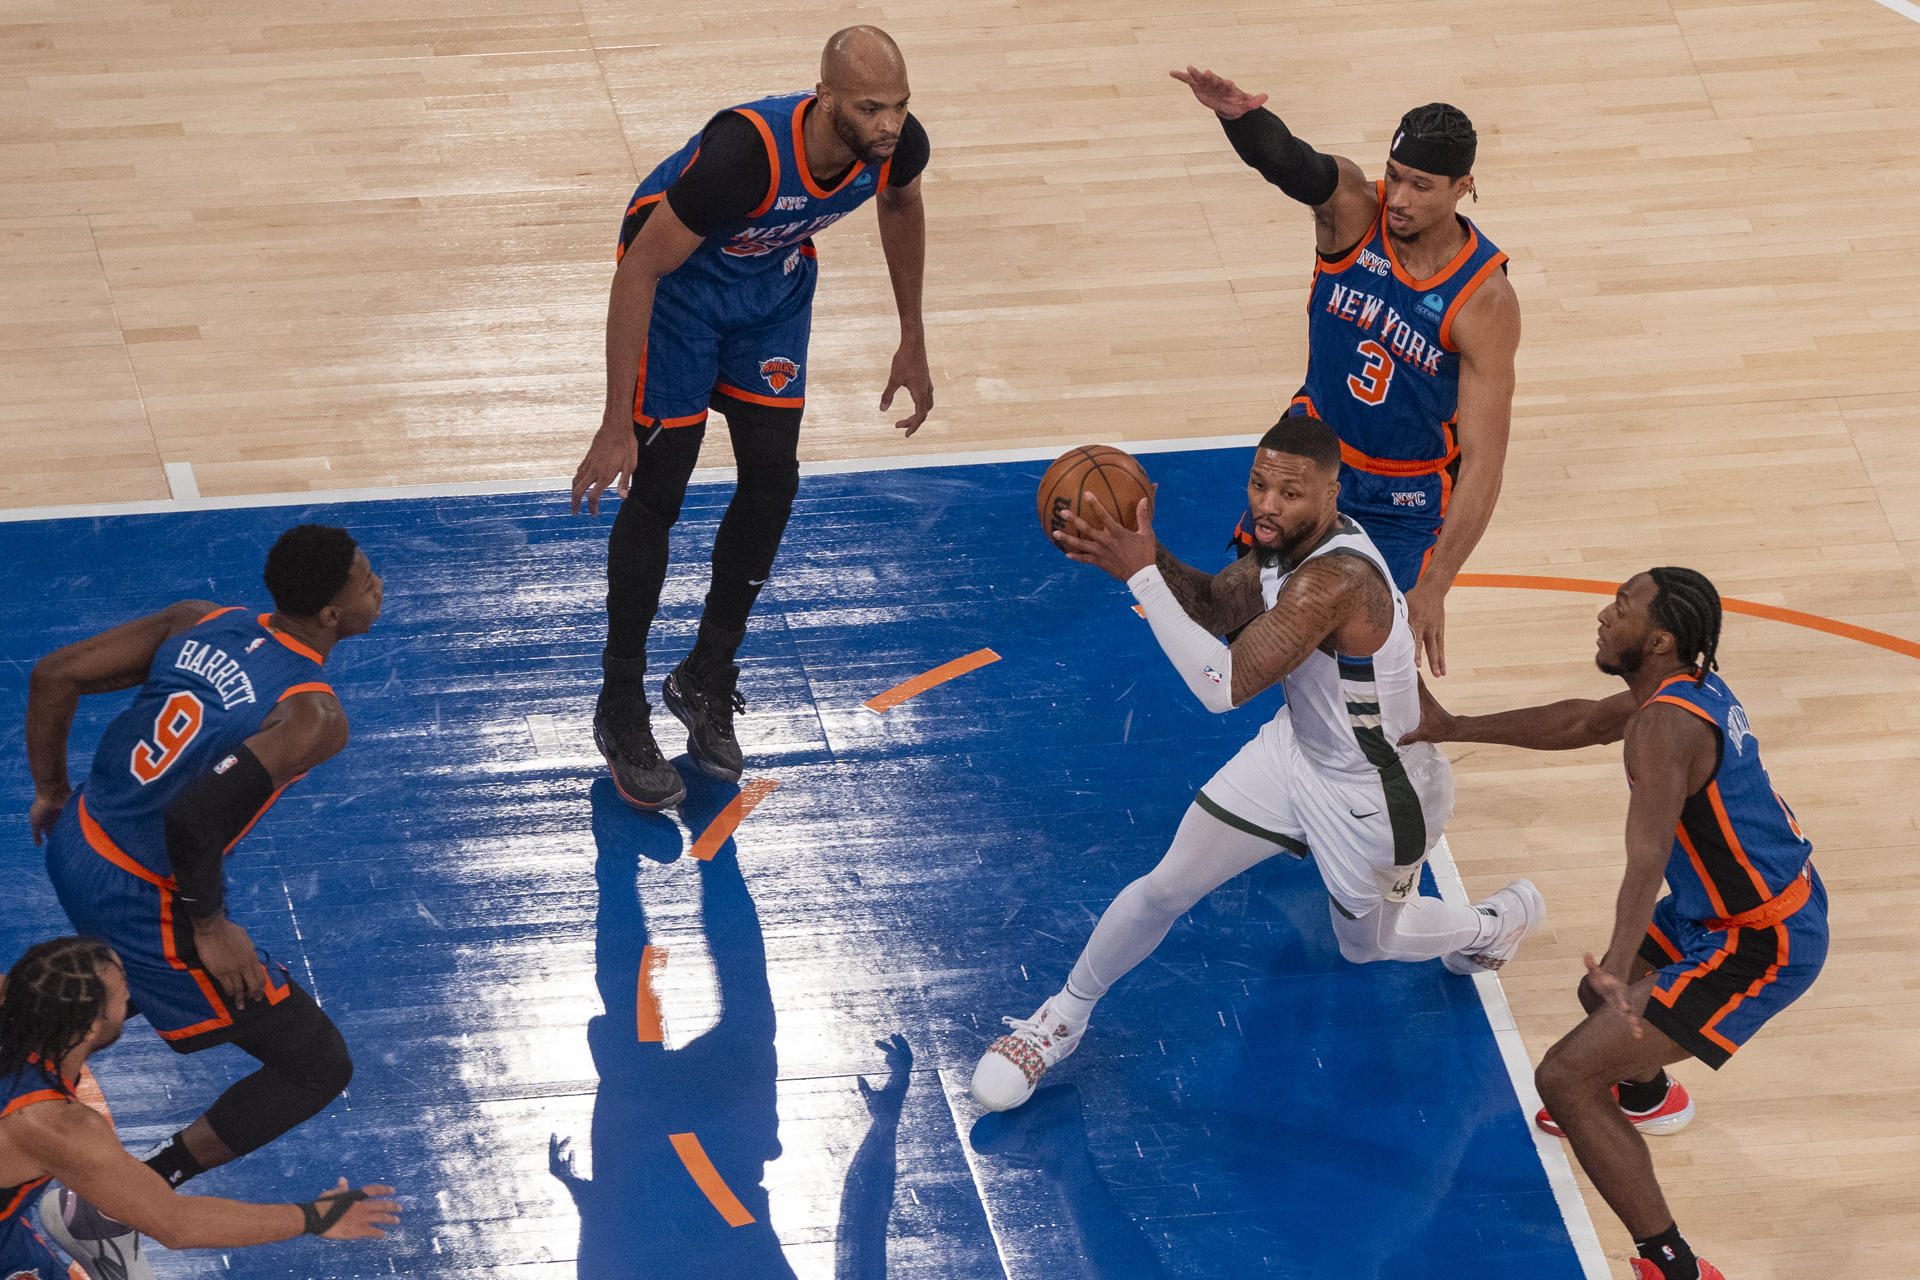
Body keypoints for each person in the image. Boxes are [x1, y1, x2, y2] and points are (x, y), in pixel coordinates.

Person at [970, 415, 1542, 1113]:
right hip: (1296, 749)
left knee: (1368, 947)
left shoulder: (1334, 580)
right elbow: (1213, 607)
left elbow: (1222, 687)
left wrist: (1141, 575)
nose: (1267, 504)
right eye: (1259, 483)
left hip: (1376, 791)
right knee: (1165, 887)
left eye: (1290, 493)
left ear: (1333, 496)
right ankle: (1061, 1017)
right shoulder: (1280, 549)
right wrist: (1142, 552)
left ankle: (1493, 925)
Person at [1402, 568, 1827, 1280]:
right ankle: (1649, 1095)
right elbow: (1584, 722)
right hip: (1716, 909)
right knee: (1599, 1005)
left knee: (1565, 1077)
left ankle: (1674, 1264)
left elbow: (1646, 853)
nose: (1605, 614)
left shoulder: (1665, 726)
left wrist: (1621, 967)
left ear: (1658, 639)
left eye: (1622, 608)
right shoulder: (1679, 688)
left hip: (1760, 941)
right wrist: (1456, 727)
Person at [571, 25, 935, 810]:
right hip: (676, 296)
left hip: (768, 294)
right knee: (661, 488)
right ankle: (620, 702)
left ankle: (707, 674)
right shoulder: (744, 156)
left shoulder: (895, 149)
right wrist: (612, 422)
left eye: (900, 107)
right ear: (826, 97)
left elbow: (901, 205)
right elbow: (640, 265)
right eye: (872, 108)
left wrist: (911, 336)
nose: (890, 126)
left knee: (773, 482)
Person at [24, 524, 383, 1276]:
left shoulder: (199, 620)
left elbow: (54, 674)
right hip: (142, 893)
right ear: (330, 614)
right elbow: (194, 818)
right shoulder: (314, 716)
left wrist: (52, 791)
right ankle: (119, 1199)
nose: (376, 585)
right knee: (315, 1065)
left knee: (99, 1000)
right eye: (365, 579)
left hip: (79, 837)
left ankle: (23, 1129)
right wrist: (212, 926)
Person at [1172, 67, 1521, 675]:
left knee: (1359, 670)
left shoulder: (1483, 299)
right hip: (1313, 463)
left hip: (1402, 497)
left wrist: (1438, 584)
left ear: (1464, 187)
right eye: (1397, 177)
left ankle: (1392, 758)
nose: (1403, 199)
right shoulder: (1354, 213)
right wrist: (1241, 118)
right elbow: (1292, 163)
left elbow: (1485, 462)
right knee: (1240, 625)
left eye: (1423, 186)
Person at [0, 936, 397, 1278]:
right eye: (125, 994)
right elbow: (176, 1224)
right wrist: (315, 1216)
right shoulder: (52, 1125)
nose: (132, 993)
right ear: (89, 1029)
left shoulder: (16, 1005)